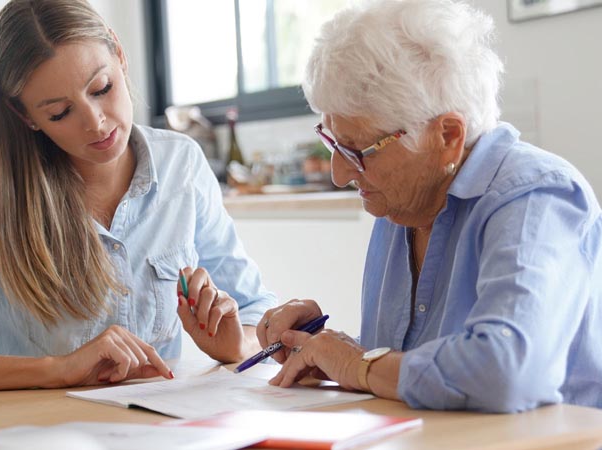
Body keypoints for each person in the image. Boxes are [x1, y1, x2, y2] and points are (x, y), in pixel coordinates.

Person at [258, 0, 602, 413]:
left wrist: (357, 364)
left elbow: (506, 373)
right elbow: (406, 370)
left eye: (358, 150)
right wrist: (323, 349)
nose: (339, 174)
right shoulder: (401, 203)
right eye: (333, 142)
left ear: (447, 136)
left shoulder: (535, 196)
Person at [0, 0, 275, 391]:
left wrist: (234, 344)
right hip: (42, 431)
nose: (95, 122)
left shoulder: (182, 164)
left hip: (163, 427)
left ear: (119, 54)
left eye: (101, 88)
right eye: (59, 112)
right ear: (25, 117)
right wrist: (57, 369)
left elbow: (256, 308)